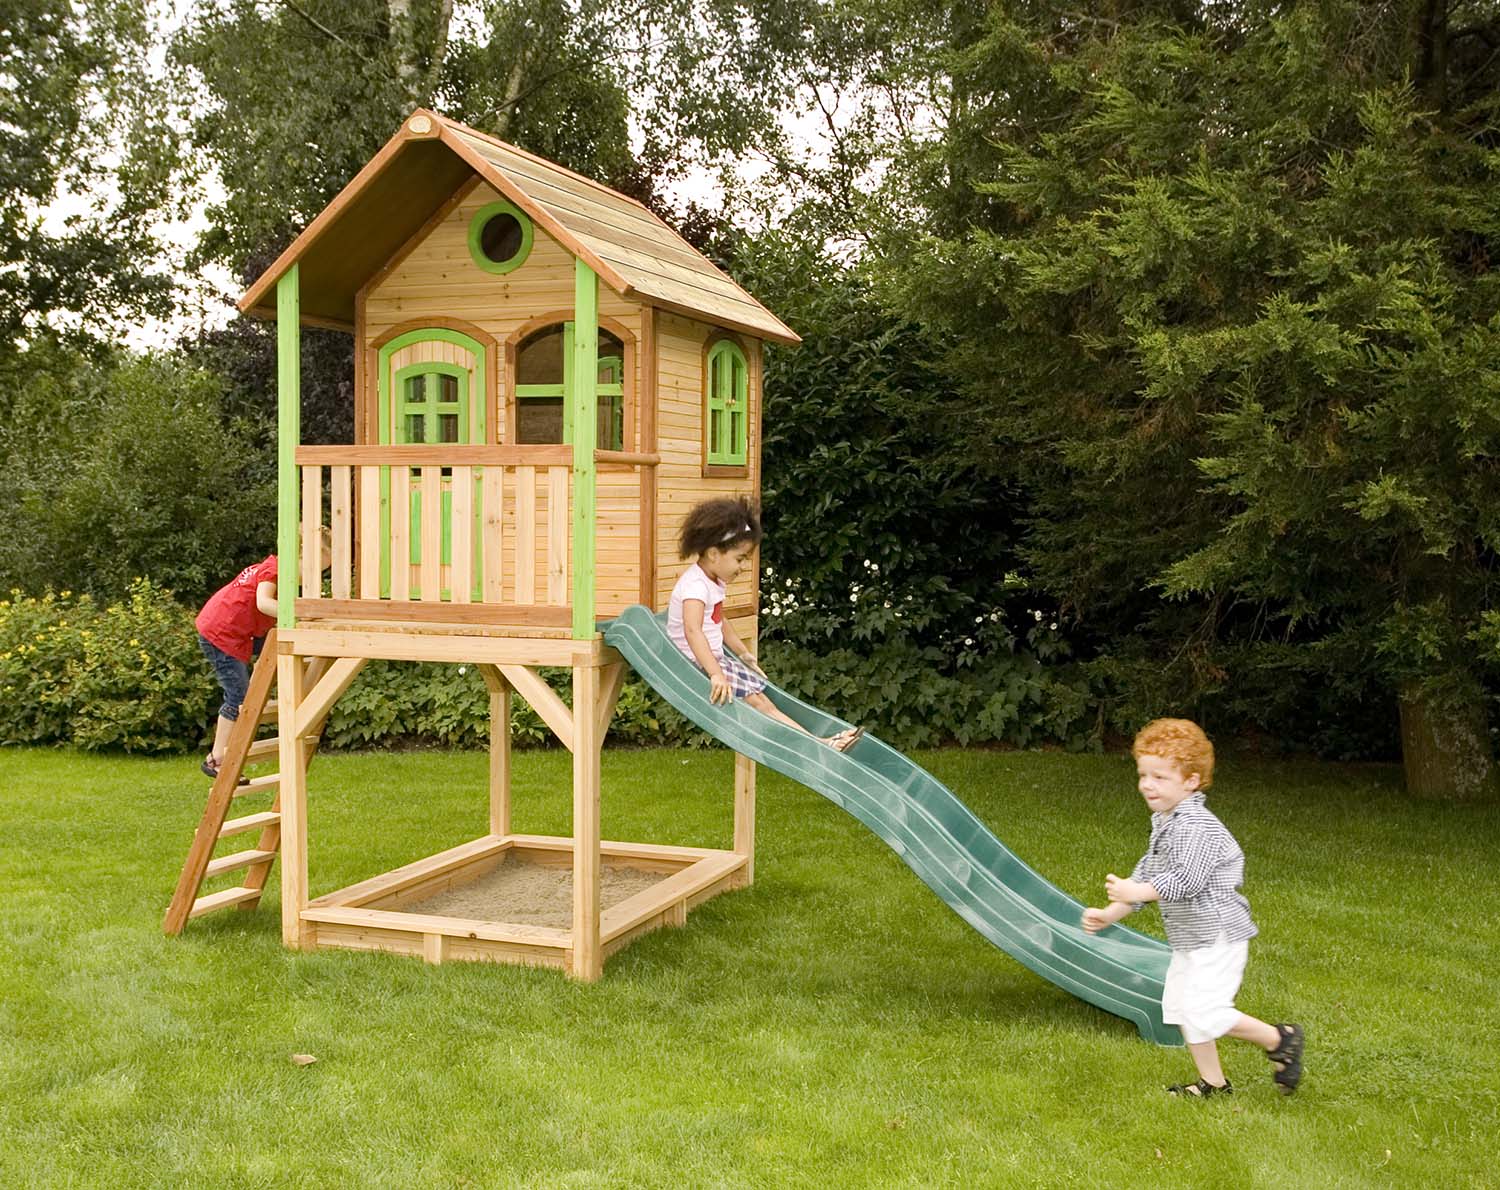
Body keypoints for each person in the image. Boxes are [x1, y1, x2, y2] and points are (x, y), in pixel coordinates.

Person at [1082, 717, 1304, 1098]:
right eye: (1143, 775)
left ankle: (1280, 1039)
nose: (1147, 785)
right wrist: (1111, 912)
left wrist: (1135, 892)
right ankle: (1214, 1084)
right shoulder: (1166, 820)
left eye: (1160, 777)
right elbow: (1149, 871)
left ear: (1192, 780)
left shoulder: (1198, 826)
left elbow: (1186, 881)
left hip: (1217, 934)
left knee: (1206, 1011)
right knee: (1183, 1008)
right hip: (1190, 936)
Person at [668, 497, 863, 753]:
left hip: (714, 659)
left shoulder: (713, 581)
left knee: (762, 701)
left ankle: (822, 742)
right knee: (759, 706)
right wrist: (715, 673)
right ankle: (820, 745)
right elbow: (692, 631)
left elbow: (719, 620)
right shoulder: (695, 587)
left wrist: (741, 653)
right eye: (739, 559)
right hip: (696, 664)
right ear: (714, 553)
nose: (742, 567)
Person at [195, 530, 332, 779]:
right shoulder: (274, 571)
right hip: (221, 633)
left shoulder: (282, 572)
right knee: (239, 697)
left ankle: (262, 678)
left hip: (242, 631)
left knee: (279, 643)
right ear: (302, 557)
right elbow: (263, 603)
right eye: (315, 570)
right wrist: (296, 613)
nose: (313, 577)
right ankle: (216, 758)